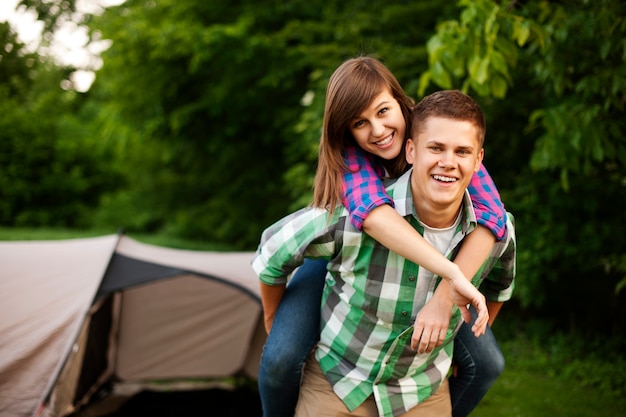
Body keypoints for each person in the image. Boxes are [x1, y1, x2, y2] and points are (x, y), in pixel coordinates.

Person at [257, 57, 508, 417]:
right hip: (346, 253)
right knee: (281, 355)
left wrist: (443, 301)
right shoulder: (353, 158)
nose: (377, 130)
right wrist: (272, 318)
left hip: (438, 272)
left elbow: (494, 220)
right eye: (360, 122)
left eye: (383, 111)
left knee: (488, 364)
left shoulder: (439, 142)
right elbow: (371, 217)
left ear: (402, 103)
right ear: (347, 131)